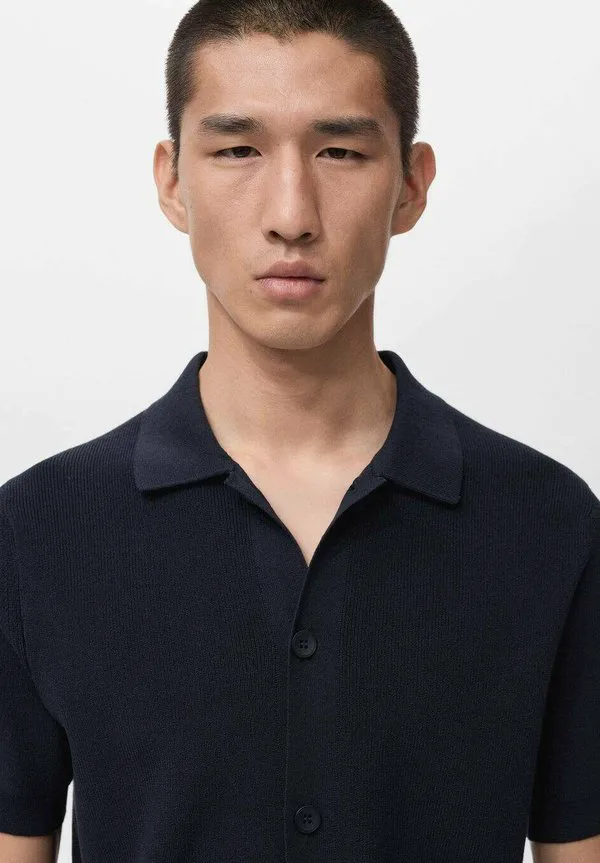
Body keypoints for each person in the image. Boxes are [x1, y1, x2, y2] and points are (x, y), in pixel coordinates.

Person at [1, 1, 599, 861]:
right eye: (238, 150)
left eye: (340, 152)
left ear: (412, 184)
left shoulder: (548, 522)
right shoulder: (37, 531)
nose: (291, 213)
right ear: (172, 181)